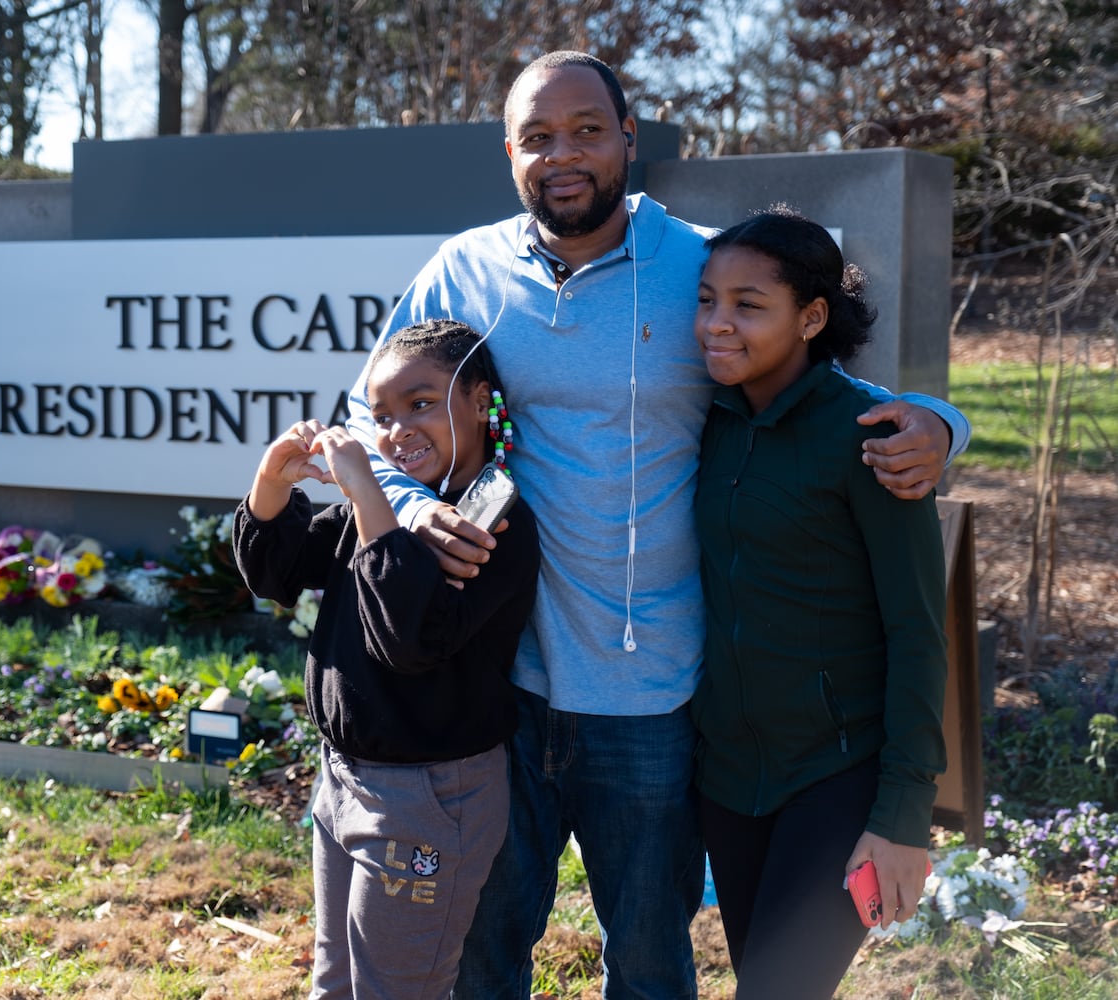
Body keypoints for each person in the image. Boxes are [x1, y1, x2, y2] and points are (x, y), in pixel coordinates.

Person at [344, 51, 969, 1000]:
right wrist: (422, 504)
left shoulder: (700, 268)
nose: (565, 154)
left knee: (647, 964)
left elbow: (828, 382)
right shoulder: (461, 270)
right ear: (509, 152)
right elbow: (367, 415)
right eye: (538, 136)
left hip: (655, 697)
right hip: (502, 682)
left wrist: (943, 422)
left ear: (629, 139)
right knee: (483, 951)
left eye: (588, 130)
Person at [233, 319, 541, 999]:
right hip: (342, 780)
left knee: (395, 989)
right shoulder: (384, 507)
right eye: (381, 416)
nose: (398, 430)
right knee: (336, 982)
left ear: (481, 400)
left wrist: (371, 495)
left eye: (421, 404)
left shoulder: (489, 525)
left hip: (429, 799)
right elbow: (276, 575)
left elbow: (407, 641)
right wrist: (271, 486)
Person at [691, 207, 947, 998]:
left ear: (811, 317)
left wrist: (903, 815)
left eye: (748, 305)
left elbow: (918, 631)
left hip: (837, 775)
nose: (716, 325)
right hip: (727, 780)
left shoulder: (872, 435)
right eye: (706, 300)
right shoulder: (699, 420)